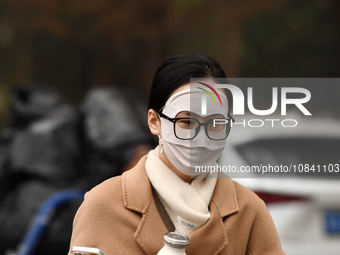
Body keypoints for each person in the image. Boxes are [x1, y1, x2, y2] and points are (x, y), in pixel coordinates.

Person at [68, 54, 285, 255]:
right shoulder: (103, 205)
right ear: (154, 122)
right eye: (186, 122)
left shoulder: (248, 211)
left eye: (217, 124)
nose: (201, 138)